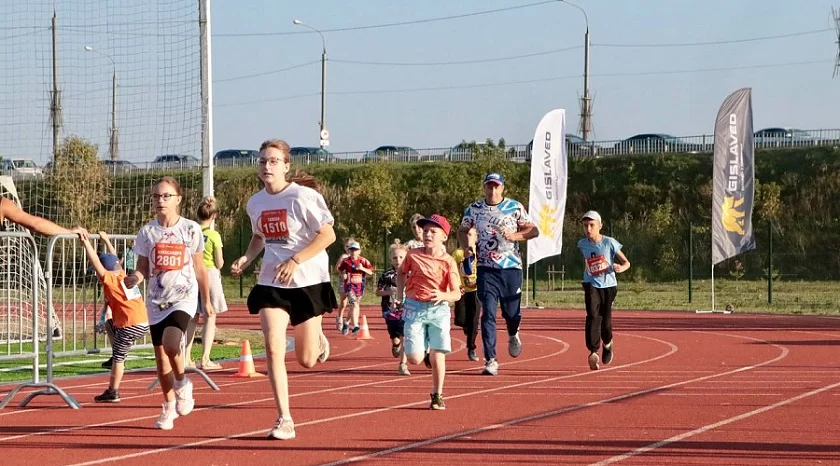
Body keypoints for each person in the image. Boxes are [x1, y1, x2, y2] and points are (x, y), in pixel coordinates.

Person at [230, 138, 336, 440]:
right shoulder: (255, 202)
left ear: (286, 166)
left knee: (306, 360)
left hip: (307, 280)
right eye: (263, 161)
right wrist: (247, 258)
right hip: (272, 281)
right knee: (274, 347)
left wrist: (296, 259)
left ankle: (317, 337)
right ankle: (284, 419)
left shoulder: (302, 197)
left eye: (273, 161)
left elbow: (328, 235)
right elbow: (259, 237)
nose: (267, 166)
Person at [124, 176, 214, 430]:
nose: (160, 201)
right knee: (161, 358)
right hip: (156, 300)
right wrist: (135, 278)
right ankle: (168, 405)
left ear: (178, 199)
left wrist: (206, 301)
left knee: (172, 343)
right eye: (156, 196)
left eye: (166, 196)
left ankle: (182, 382)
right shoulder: (147, 232)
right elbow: (143, 267)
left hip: (183, 297)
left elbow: (200, 268)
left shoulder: (190, 229)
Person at [458, 172, 539, 376]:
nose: (492, 190)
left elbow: (533, 230)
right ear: (484, 187)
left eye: (496, 186)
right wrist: (467, 246)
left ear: (502, 188)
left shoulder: (514, 207)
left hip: (511, 267)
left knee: (511, 314)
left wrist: (515, 235)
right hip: (486, 268)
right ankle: (491, 359)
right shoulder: (474, 209)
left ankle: (513, 333)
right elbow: (462, 230)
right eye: (489, 186)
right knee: (488, 313)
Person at [395, 214, 461, 410]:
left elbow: (457, 293)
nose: (428, 235)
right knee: (414, 358)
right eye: (425, 231)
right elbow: (401, 273)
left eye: (433, 231)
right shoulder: (412, 255)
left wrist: (443, 295)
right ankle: (423, 350)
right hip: (414, 308)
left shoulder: (448, 262)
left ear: (444, 237)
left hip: (438, 310)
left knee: (438, 354)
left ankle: (437, 395)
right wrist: (400, 295)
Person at [81, 234, 148, 403]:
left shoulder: (110, 279)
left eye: (97, 274)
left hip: (130, 325)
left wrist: (85, 242)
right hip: (142, 322)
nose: (97, 277)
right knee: (109, 324)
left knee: (119, 359)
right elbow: (114, 259)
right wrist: (106, 240)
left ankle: (113, 391)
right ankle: (116, 353)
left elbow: (96, 261)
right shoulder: (122, 274)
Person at [577, 210, 630, 370]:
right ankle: (593, 351)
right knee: (593, 316)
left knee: (605, 321)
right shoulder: (582, 244)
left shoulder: (609, 242)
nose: (588, 229)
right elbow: (588, 261)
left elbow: (627, 262)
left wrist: (621, 267)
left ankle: (607, 344)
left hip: (608, 286)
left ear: (599, 226)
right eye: (585, 225)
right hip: (591, 284)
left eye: (591, 225)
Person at [185, 196, 228, 370]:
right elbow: (219, 262)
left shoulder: (191, 232)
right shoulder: (213, 235)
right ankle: (205, 358)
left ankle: (186, 357)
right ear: (214, 215)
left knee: (192, 316)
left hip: (191, 273)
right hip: (209, 274)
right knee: (210, 315)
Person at [375, 240, 409, 375]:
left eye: (401, 257)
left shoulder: (411, 274)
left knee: (404, 335)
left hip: (406, 309)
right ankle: (395, 344)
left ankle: (403, 364)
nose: (398, 260)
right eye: (395, 258)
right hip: (389, 310)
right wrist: (389, 292)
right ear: (390, 259)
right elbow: (378, 292)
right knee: (395, 336)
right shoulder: (386, 275)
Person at [451, 226, 480, 361]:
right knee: (461, 320)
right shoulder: (458, 253)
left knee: (474, 319)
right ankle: (467, 327)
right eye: (466, 234)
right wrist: (456, 285)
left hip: (476, 291)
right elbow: (451, 270)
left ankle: (471, 348)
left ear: (476, 237)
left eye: (471, 235)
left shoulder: (480, 253)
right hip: (462, 290)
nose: (468, 237)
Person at [0, 196, 88, 239]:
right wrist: (69, 231)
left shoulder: (3, 204)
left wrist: (68, 232)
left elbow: (36, 224)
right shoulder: (3, 204)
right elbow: (36, 224)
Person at [336, 241, 374, 336]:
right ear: (349, 251)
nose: (353, 252)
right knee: (354, 304)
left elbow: (371, 272)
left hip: (360, 287)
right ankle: (355, 325)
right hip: (349, 286)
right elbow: (339, 270)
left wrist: (362, 268)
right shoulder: (345, 261)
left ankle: (346, 322)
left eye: (355, 250)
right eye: (351, 250)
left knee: (355, 306)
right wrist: (343, 275)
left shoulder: (363, 261)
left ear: (359, 251)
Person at [334, 237, 355, 333]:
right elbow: (337, 268)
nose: (349, 248)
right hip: (344, 282)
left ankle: (347, 322)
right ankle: (340, 317)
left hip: (354, 283)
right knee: (343, 303)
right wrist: (342, 273)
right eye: (347, 246)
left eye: (350, 246)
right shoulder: (343, 257)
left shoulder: (357, 257)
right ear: (344, 247)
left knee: (353, 303)